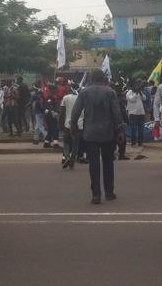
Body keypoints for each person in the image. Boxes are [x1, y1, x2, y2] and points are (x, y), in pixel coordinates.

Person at [70, 69, 123, 204]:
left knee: (93, 165)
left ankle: (96, 195)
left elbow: (76, 111)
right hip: (108, 133)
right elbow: (116, 113)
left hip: (90, 133)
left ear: (91, 79)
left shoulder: (84, 92)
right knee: (108, 163)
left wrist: (73, 125)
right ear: (103, 78)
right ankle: (109, 192)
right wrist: (120, 130)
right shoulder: (110, 92)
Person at [59, 83, 81, 168]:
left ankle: (67, 157)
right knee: (75, 144)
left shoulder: (66, 97)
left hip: (67, 124)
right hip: (78, 125)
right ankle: (72, 161)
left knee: (66, 142)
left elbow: (61, 112)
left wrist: (60, 124)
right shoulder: (80, 98)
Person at [125, 80, 146, 147]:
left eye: (138, 85)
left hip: (141, 113)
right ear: (133, 86)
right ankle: (133, 143)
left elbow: (145, 98)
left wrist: (140, 92)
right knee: (133, 130)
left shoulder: (140, 92)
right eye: (136, 85)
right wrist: (136, 93)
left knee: (141, 130)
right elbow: (132, 100)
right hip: (133, 114)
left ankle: (140, 143)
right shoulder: (129, 93)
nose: (137, 86)